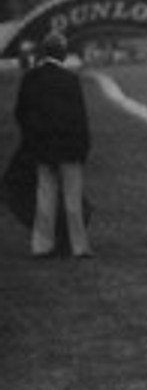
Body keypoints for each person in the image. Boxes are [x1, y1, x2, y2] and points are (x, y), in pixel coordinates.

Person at [15, 32, 92, 258]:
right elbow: (80, 118)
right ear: (64, 53)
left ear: (44, 51)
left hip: (42, 147)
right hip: (70, 148)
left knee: (45, 197)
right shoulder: (71, 80)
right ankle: (79, 247)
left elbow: (21, 113)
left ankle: (42, 246)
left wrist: (31, 140)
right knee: (72, 200)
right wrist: (84, 147)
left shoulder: (31, 78)